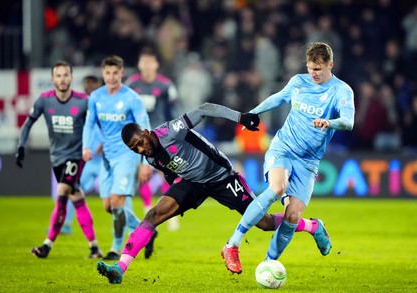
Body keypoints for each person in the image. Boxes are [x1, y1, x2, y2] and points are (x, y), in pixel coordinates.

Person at [95, 102, 331, 284]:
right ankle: (120, 269)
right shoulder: (149, 157)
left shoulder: (169, 131)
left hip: (222, 177)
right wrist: (178, 191)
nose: (141, 148)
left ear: (146, 132)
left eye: (140, 142)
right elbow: (170, 173)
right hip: (193, 183)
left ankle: (312, 226)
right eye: (135, 148)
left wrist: (241, 118)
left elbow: (206, 109)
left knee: (266, 223)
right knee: (153, 215)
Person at [221, 42, 355, 274]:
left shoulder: (341, 91)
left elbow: (349, 121)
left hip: (309, 161)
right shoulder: (298, 82)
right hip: (283, 148)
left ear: (330, 65)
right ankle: (232, 244)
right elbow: (278, 98)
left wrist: (329, 122)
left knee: (291, 216)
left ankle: (267, 263)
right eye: (311, 68)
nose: (313, 73)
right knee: (276, 188)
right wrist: (251, 114)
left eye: (319, 69)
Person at [15, 61, 102, 259]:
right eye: (58, 75)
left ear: (71, 78)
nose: (62, 79)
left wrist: (98, 145)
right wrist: (21, 146)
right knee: (76, 197)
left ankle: (47, 245)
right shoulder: (44, 101)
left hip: (75, 157)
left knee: (62, 193)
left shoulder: (82, 101)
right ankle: (94, 247)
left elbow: (99, 123)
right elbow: (28, 124)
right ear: (53, 79)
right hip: (56, 158)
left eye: (66, 75)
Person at [82, 55, 154, 261]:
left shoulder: (132, 98)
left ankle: (115, 248)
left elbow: (144, 130)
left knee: (117, 201)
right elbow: (89, 124)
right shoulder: (96, 97)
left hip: (127, 155)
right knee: (109, 206)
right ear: (103, 74)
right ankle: (147, 230)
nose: (111, 77)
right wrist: (86, 147)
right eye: (107, 73)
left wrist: (144, 162)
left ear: (121, 73)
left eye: (115, 73)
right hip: (107, 156)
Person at [125, 48, 181, 230]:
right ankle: (148, 209)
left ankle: (170, 212)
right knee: (143, 173)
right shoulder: (132, 85)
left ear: (156, 64)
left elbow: (174, 110)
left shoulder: (166, 85)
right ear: (139, 64)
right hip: (137, 137)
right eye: (144, 62)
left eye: (150, 62)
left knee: (166, 173)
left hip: (159, 135)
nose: (147, 66)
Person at [61, 75, 103, 235]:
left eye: (93, 84)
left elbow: (117, 127)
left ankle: (132, 228)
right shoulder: (80, 106)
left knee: (116, 195)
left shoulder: (106, 104)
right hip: (88, 160)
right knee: (73, 189)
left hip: (105, 160)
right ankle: (65, 224)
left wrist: (106, 145)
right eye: (87, 84)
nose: (89, 87)